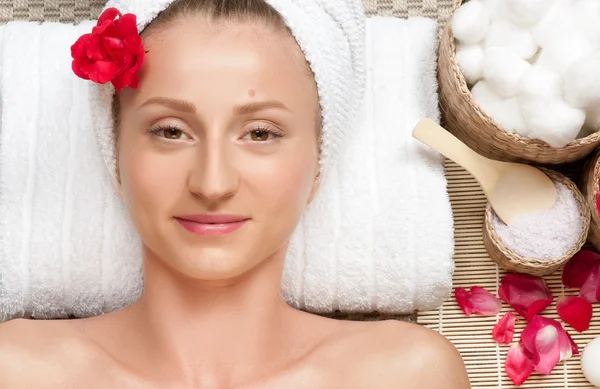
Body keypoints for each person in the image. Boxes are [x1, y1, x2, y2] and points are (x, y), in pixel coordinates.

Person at [0, 0, 470, 387]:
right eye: (170, 131)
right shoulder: (20, 370)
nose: (212, 183)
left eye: (260, 134)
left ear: (318, 164)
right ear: (116, 155)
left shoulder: (404, 375)